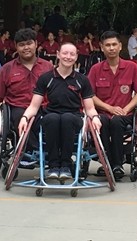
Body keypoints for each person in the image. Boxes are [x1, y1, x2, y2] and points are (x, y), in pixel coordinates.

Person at [18, 43, 102, 179]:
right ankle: (53, 166)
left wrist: (95, 118)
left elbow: (90, 108)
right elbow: (34, 106)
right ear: (58, 54)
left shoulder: (82, 80)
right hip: (51, 116)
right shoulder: (46, 78)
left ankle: (66, 165)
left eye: (72, 54)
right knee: (52, 119)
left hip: (73, 117)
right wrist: (25, 118)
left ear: (76, 57)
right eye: (65, 53)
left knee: (67, 118)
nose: (68, 57)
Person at [88, 30, 137, 179]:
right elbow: (89, 95)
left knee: (116, 121)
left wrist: (127, 108)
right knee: (102, 122)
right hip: (102, 113)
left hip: (125, 114)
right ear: (102, 47)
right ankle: (105, 162)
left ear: (120, 46)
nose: (111, 48)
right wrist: (109, 108)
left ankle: (117, 164)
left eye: (114, 44)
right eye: (107, 45)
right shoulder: (95, 70)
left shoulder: (131, 67)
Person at [0, 28, 53, 157]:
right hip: (18, 108)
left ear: (36, 44)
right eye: (22, 45)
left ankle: (53, 153)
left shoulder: (48, 67)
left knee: (56, 119)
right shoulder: (7, 69)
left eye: (29, 43)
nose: (26, 48)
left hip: (44, 108)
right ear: (16, 47)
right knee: (21, 118)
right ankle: (34, 153)